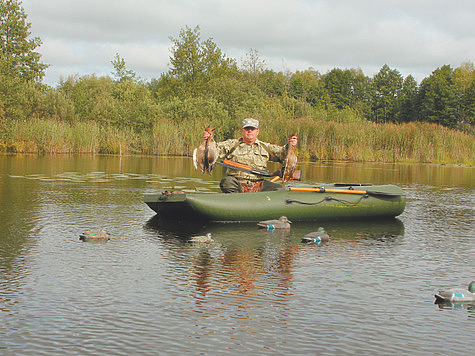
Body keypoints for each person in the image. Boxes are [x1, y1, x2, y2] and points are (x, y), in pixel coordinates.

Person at [202, 118, 298, 193]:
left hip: (259, 184)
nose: (250, 131)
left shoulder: (265, 147)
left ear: (257, 131)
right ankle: (236, 203)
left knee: (280, 189)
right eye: (247, 128)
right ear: (242, 130)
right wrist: (209, 139)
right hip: (237, 184)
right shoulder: (231, 144)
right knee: (226, 182)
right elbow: (213, 150)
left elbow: (282, 153)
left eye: (252, 129)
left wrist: (290, 144)